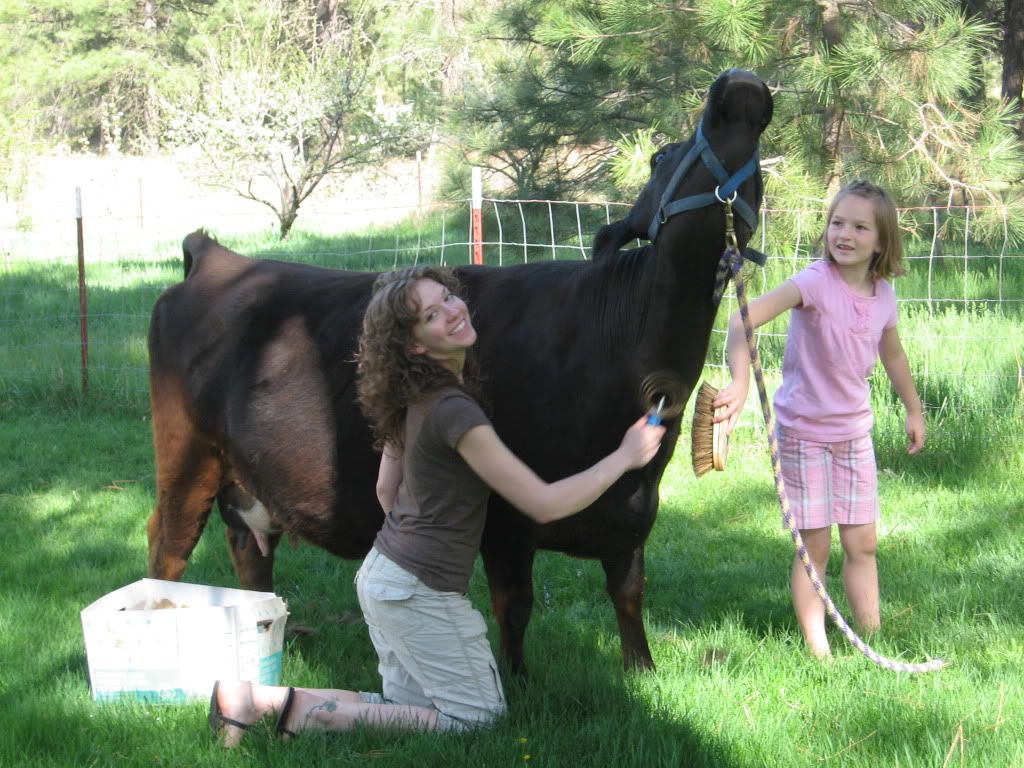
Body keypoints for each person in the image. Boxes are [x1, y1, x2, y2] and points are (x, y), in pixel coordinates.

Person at [208, 265, 666, 746]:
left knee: (410, 711)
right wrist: (624, 457)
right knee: (478, 719)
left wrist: (415, 541)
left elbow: (386, 492)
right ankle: (300, 713)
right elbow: (543, 503)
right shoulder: (456, 411)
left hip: (383, 578)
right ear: (415, 346)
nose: (452, 311)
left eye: (447, 297)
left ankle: (254, 700)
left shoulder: (416, 393)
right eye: (431, 315)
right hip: (415, 592)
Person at [712, 180, 925, 658]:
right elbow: (740, 319)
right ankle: (818, 649)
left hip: (854, 434)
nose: (844, 234)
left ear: (882, 241)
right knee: (815, 547)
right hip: (804, 434)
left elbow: (893, 354)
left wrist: (913, 408)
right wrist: (740, 383)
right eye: (837, 223)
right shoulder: (812, 283)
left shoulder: (884, 296)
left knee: (862, 542)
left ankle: (872, 634)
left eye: (860, 227)